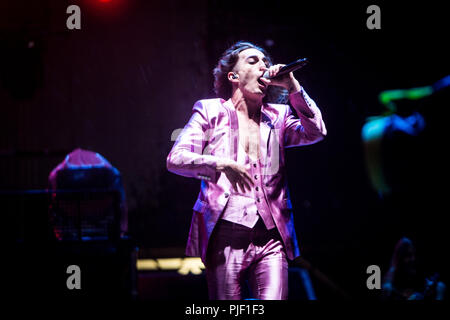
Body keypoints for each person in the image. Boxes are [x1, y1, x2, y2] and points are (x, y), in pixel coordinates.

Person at [166, 41, 326, 300]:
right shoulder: (210, 111)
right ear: (234, 76)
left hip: (272, 235)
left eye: (265, 61)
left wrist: (293, 87)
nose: (263, 65)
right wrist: (220, 163)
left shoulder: (280, 116)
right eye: (253, 61)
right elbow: (176, 158)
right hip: (225, 234)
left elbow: (316, 132)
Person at [382, 237, 446, 300]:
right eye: (408, 255)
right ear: (400, 258)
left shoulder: (415, 272)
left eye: (413, 255)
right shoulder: (390, 281)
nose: (413, 259)